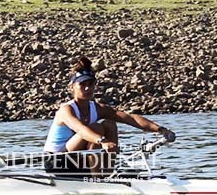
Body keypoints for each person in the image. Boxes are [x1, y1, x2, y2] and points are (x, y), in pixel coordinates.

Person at [43, 56, 176, 176]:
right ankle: (97, 179)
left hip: (77, 159)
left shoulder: (97, 108)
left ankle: (107, 174)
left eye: (91, 84)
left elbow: (130, 118)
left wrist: (161, 130)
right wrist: (102, 141)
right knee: (96, 128)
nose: (88, 88)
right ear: (72, 87)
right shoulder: (66, 110)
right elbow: (81, 130)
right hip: (56, 162)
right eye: (82, 85)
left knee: (109, 124)